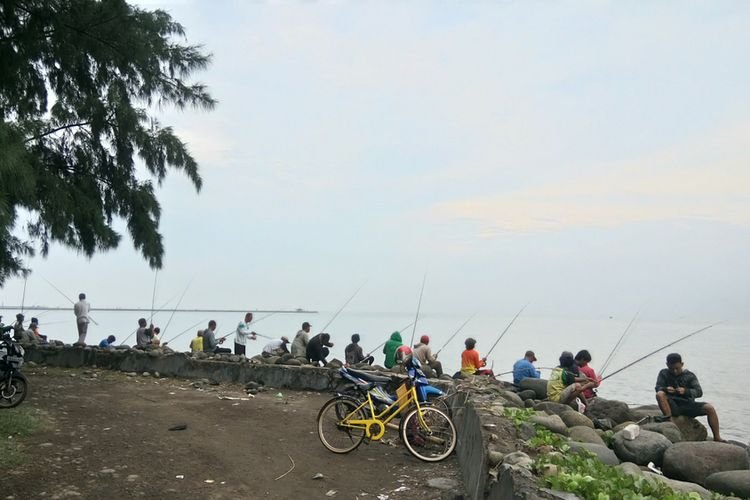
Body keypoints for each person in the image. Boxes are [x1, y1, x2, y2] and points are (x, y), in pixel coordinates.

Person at [655, 353, 723, 442]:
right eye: (672, 369)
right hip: (672, 404)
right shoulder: (663, 373)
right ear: (667, 365)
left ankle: (717, 437)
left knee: (710, 408)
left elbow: (699, 392)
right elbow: (658, 387)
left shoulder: (690, 376)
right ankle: (669, 420)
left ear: (682, 364)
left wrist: (686, 391)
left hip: (687, 404)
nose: (675, 371)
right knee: (660, 394)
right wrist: (666, 389)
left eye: (677, 368)